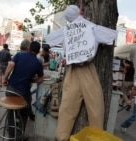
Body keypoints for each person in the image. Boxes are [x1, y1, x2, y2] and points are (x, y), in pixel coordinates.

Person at [45, 5, 116, 141]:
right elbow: (111, 36)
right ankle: (96, 137)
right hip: (86, 69)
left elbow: (50, 39)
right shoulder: (92, 27)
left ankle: (61, 137)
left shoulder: (66, 30)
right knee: (95, 107)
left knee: (67, 107)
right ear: (80, 13)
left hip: (73, 70)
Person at [2, 41, 44, 138]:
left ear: (29, 48)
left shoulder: (19, 55)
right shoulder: (38, 63)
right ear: (38, 51)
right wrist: (32, 79)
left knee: (11, 110)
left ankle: (11, 134)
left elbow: (10, 65)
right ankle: (20, 136)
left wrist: (5, 78)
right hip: (23, 93)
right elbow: (41, 78)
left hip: (11, 89)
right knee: (24, 113)